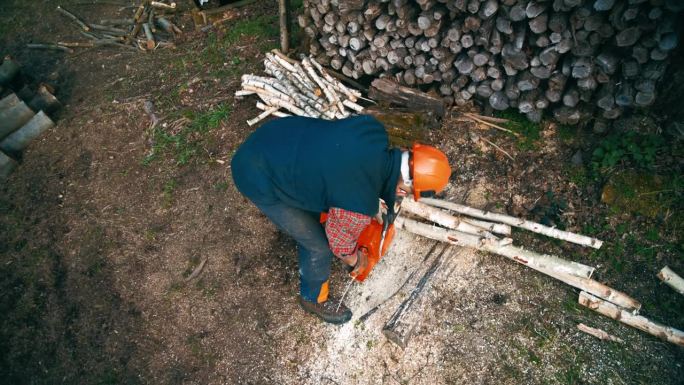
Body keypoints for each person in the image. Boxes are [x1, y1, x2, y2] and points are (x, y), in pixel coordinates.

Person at [231, 115, 451, 324]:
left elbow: (349, 168)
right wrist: (356, 260)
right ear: (404, 189)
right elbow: (339, 245)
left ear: (407, 152)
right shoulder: (357, 205)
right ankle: (313, 298)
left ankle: (301, 197)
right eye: (407, 192)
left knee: (322, 198)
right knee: (318, 246)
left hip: (274, 136)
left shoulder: (372, 129)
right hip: (254, 173)